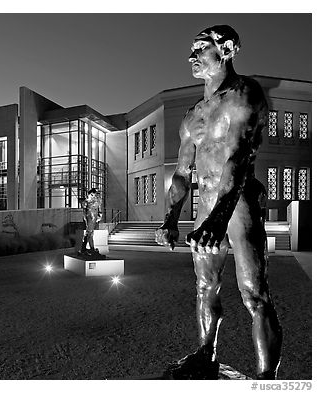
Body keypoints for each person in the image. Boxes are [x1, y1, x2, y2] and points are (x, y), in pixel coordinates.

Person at [155, 25, 282, 380]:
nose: (192, 55)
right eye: (192, 49)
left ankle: (265, 379)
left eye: (201, 47)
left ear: (225, 50)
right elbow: (182, 173)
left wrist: (219, 218)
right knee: (204, 287)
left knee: (255, 295)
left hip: (238, 205)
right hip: (207, 206)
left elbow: (239, 157)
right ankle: (205, 354)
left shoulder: (245, 95)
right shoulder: (192, 115)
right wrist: (170, 219)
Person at [79, 188, 103, 256]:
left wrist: (100, 215)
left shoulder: (98, 200)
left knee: (90, 232)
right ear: (91, 194)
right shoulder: (88, 201)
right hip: (89, 215)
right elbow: (84, 210)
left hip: (94, 216)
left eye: (98, 193)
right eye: (96, 193)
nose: (98, 195)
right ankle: (87, 248)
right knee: (89, 232)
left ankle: (86, 248)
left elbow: (99, 208)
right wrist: (85, 217)